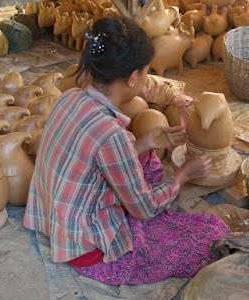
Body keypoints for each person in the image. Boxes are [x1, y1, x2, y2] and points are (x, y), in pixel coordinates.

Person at [24, 17, 230, 286]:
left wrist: (144, 143)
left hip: (58, 221)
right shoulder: (112, 135)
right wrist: (181, 176)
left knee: (147, 162)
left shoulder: (70, 97)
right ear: (133, 78)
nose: (146, 78)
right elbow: (143, 209)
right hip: (87, 250)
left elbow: (95, 157)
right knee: (208, 237)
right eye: (145, 72)